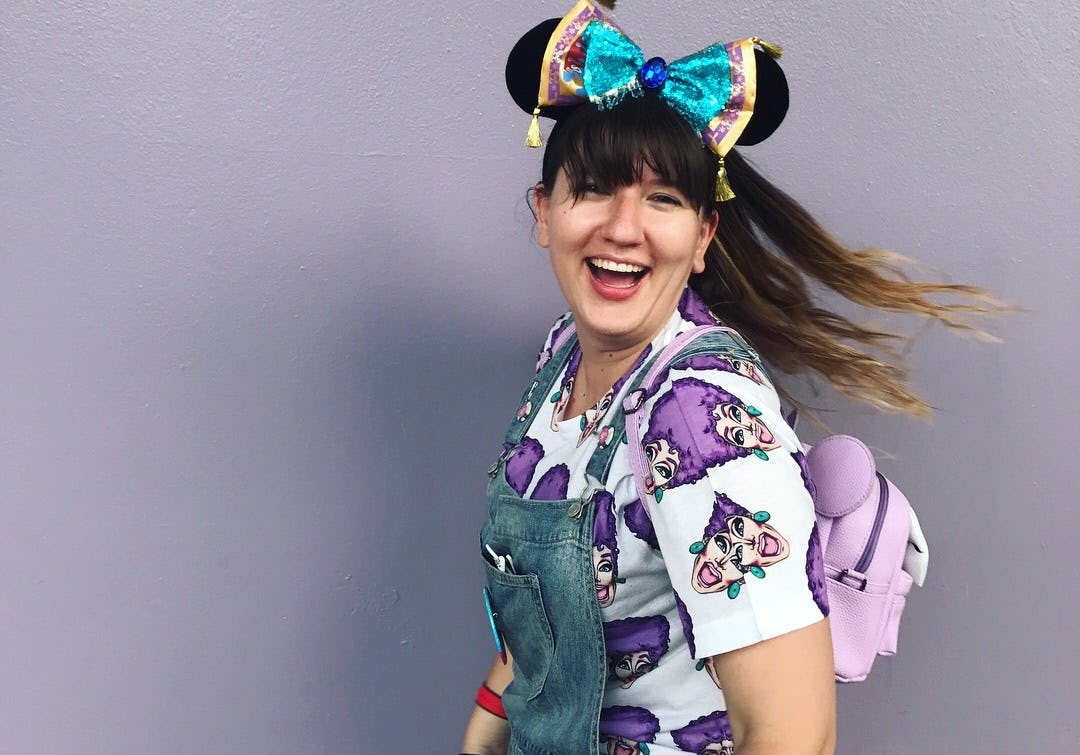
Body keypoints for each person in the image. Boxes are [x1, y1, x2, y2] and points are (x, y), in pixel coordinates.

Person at [461, 2, 1001, 753]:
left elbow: (794, 734)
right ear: (545, 211)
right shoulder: (563, 356)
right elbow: (546, 612)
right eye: (593, 189)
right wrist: (486, 729)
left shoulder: (697, 415)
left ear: (703, 235)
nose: (624, 227)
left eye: (664, 199)